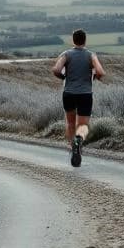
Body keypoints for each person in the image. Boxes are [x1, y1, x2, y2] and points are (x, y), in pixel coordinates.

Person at [52, 29, 105, 167]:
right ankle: (79, 140)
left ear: (73, 40)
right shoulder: (91, 55)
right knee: (83, 125)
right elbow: (100, 71)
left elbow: (56, 69)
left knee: (70, 123)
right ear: (85, 40)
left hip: (68, 93)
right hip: (85, 94)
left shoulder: (66, 54)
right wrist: (96, 77)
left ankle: (73, 148)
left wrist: (63, 77)